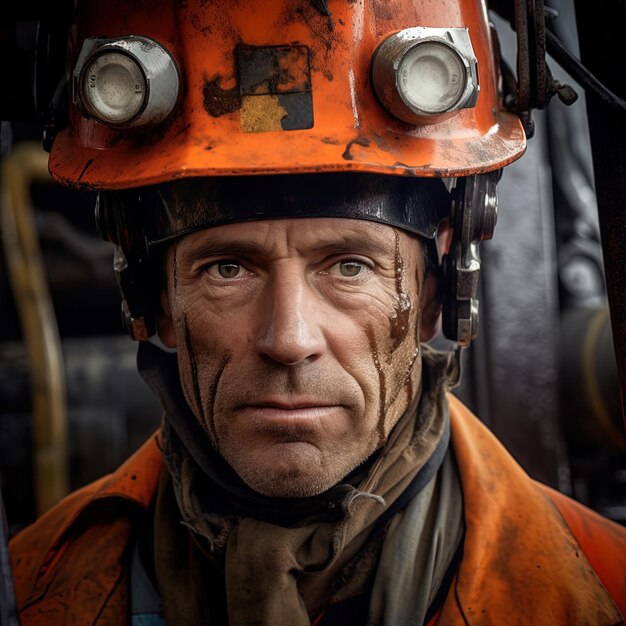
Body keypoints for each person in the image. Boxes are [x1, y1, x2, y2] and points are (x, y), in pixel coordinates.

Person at [8, 0, 626, 624]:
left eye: (349, 267)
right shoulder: (31, 590)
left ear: (436, 295)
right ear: (158, 300)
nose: (289, 339)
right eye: (229, 268)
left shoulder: (607, 592)